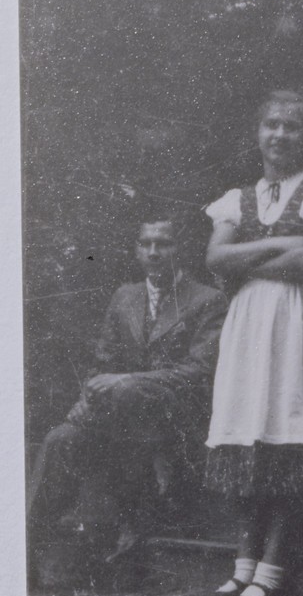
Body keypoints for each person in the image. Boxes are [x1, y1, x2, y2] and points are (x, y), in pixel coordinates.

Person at [194, 88, 303, 596]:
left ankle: (272, 572)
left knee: (286, 433)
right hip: (247, 325)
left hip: (295, 323)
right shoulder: (238, 197)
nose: (280, 135)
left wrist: (244, 263)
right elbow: (215, 257)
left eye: (292, 126)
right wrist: (282, 244)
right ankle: (241, 569)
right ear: (258, 133)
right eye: (271, 125)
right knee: (244, 435)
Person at [28, 216, 227, 561]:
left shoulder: (208, 299)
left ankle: (136, 518)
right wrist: (87, 400)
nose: (154, 252)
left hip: (177, 418)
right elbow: (103, 365)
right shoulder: (125, 297)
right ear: (136, 249)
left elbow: (199, 371)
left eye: (163, 243)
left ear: (180, 249)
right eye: (145, 244)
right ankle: (23, 548)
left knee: (125, 394)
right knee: (62, 438)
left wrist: (127, 381)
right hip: (121, 421)